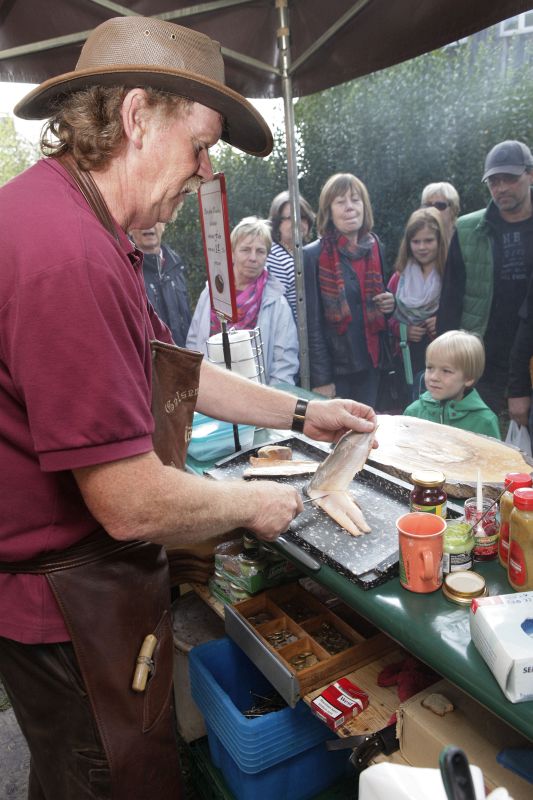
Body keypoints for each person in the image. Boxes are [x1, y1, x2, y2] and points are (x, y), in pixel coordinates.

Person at [0, 16, 378, 800]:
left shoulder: (77, 219)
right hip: (70, 609)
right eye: (201, 146)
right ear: (137, 117)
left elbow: (171, 370)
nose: (206, 173)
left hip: (79, 594)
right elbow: (129, 501)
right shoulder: (67, 256)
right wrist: (252, 503)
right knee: (105, 781)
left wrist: (302, 414)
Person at [437, 140, 533, 422]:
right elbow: (450, 303)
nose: (501, 188)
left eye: (509, 179)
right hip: (483, 362)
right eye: (493, 181)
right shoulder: (468, 229)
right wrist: (444, 368)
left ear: (530, 175)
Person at [304, 172, 395, 405]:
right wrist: (322, 379)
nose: (349, 207)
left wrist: (390, 303)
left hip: (373, 364)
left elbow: (381, 300)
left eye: (355, 200)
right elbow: (311, 324)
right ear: (329, 211)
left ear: (364, 206)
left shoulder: (375, 246)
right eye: (340, 202)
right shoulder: (313, 255)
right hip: (338, 373)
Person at [187, 216, 299, 384]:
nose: (253, 257)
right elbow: (194, 343)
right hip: (211, 390)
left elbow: (284, 364)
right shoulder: (212, 293)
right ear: (232, 253)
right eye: (245, 250)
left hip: (256, 393)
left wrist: (268, 397)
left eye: (260, 251)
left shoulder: (277, 303)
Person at [388, 207, 448, 396]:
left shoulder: (450, 275)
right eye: (416, 241)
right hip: (407, 362)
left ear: (440, 241)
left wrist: (443, 321)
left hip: (444, 362)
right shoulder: (399, 278)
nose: (422, 247)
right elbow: (386, 317)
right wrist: (403, 330)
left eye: (428, 241)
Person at [404, 330, 501, 438]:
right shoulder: (413, 412)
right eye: (430, 368)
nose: (434, 377)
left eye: (446, 371)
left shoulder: (484, 421)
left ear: (468, 378)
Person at [130, 222, 192, 347]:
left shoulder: (176, 265)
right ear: (130, 229)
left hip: (183, 354)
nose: (149, 224)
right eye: (143, 218)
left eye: (155, 218)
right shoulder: (128, 271)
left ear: (163, 225)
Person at [266, 189, 315, 319]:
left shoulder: (301, 253)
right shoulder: (274, 257)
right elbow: (277, 311)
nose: (298, 222)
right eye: (290, 218)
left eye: (303, 217)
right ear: (277, 223)